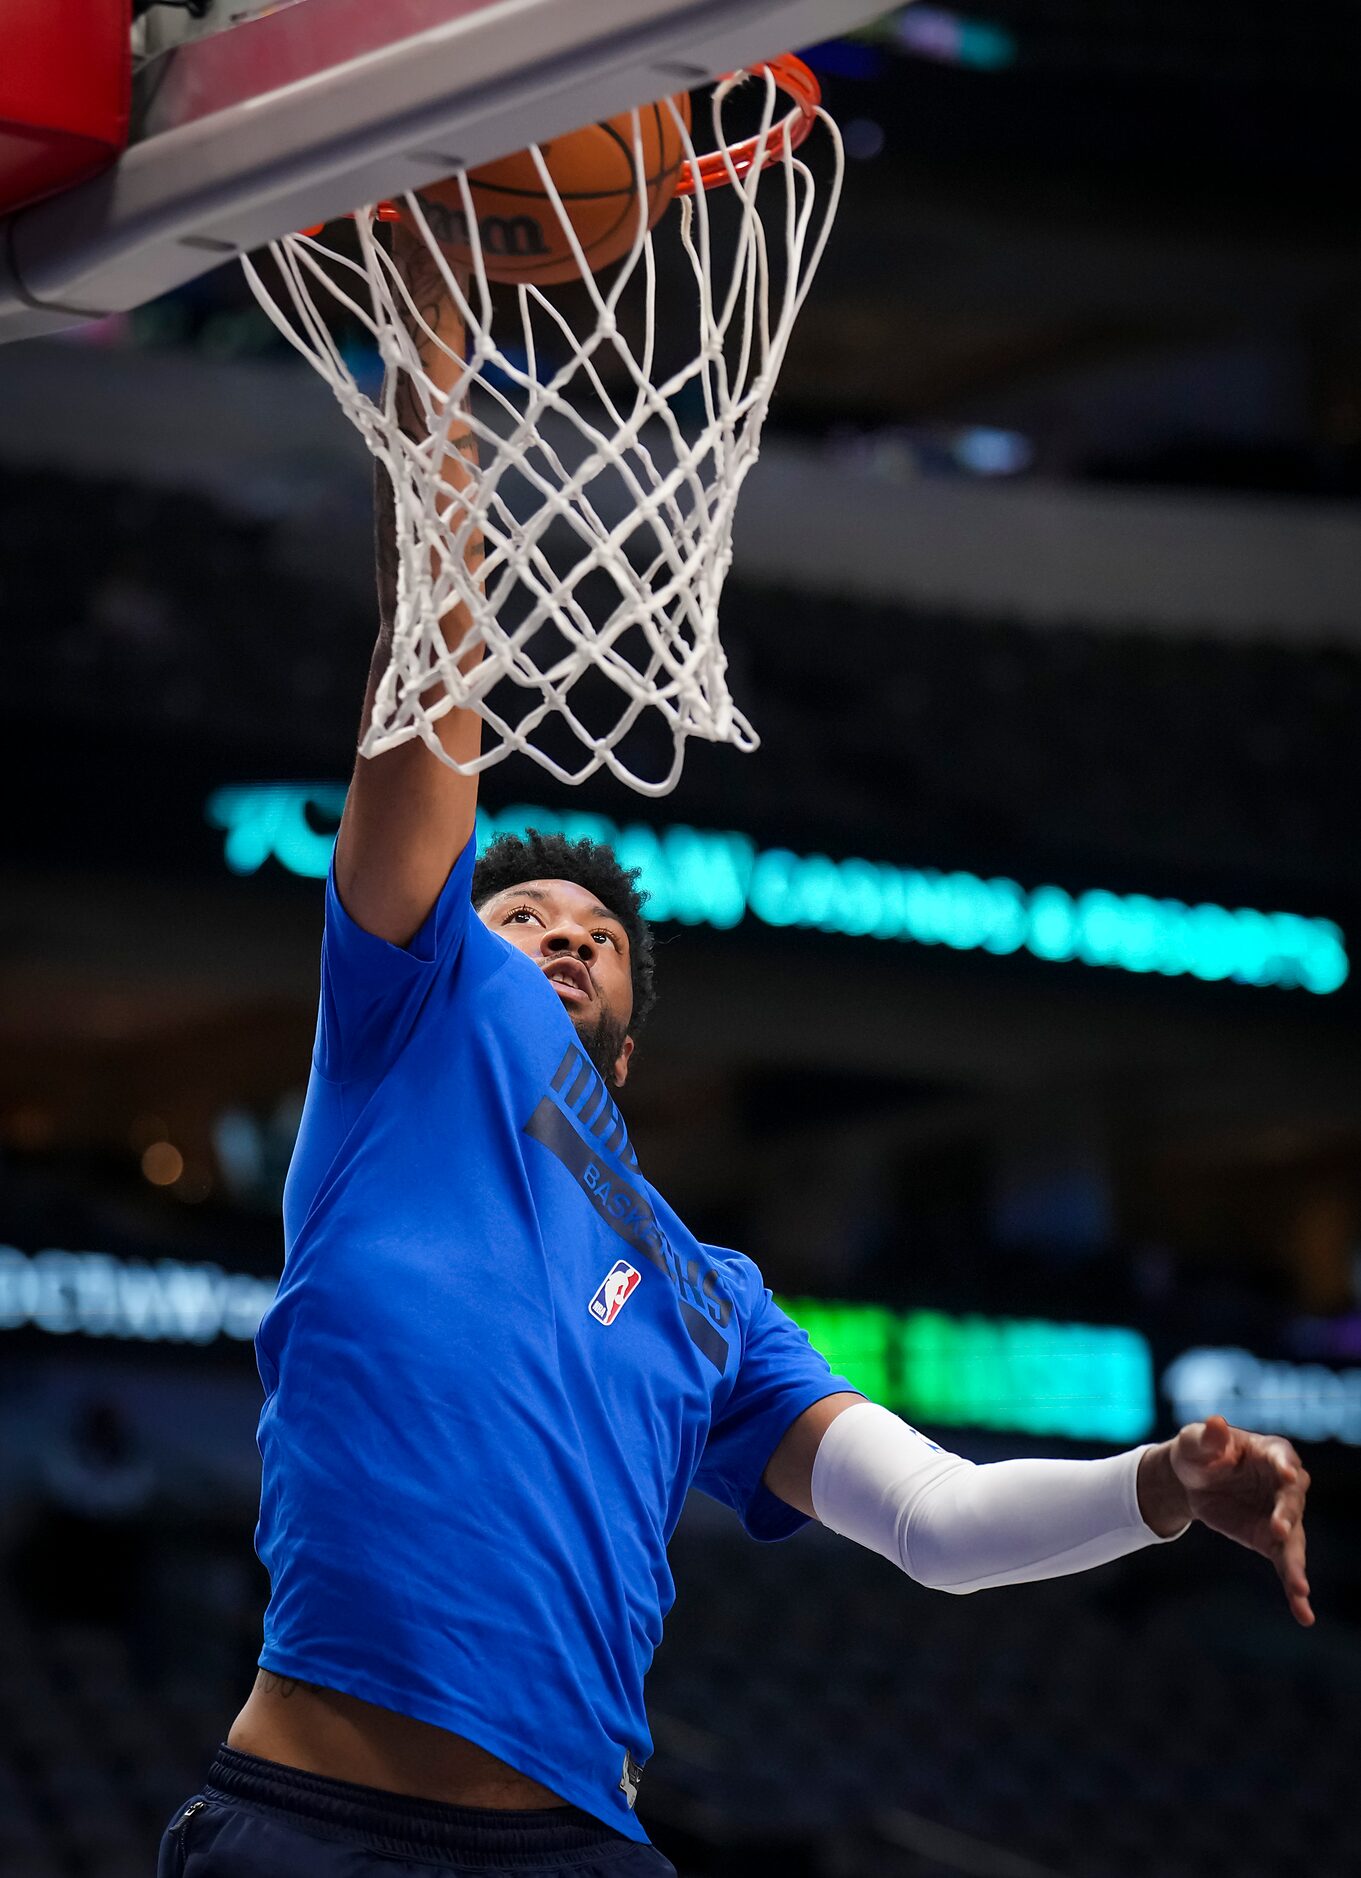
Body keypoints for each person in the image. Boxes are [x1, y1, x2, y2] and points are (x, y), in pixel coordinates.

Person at [158, 223, 1314, 1878]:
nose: (556, 931)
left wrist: (1154, 1486)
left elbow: (939, 1524)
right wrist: (439, 403)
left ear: (627, 1037)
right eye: (521, 914)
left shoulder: (710, 1296)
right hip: (316, 1829)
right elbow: (422, 722)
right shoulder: (406, 1045)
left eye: (594, 933)